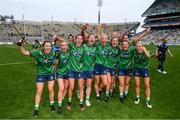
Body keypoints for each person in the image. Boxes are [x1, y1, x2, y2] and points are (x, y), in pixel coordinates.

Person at [17, 38, 56, 117]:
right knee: (39, 91)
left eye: (50, 46)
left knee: (50, 89)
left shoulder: (54, 53)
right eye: (46, 46)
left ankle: (52, 104)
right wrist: (20, 44)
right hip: (41, 74)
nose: (48, 47)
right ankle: (36, 109)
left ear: (51, 47)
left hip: (50, 73)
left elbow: (56, 62)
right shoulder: (37, 53)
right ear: (43, 47)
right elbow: (24, 52)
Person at [66, 34, 85, 110]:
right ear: (76, 40)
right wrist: (57, 37)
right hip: (71, 70)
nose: (79, 40)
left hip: (79, 70)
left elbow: (84, 59)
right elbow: (64, 42)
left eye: (81, 39)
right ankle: (69, 102)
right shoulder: (72, 45)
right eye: (78, 38)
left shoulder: (84, 49)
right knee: (71, 87)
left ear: (82, 40)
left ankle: (81, 103)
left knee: (80, 87)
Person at [133, 41, 153, 108]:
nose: (139, 48)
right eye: (137, 46)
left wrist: (145, 50)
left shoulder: (146, 52)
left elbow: (148, 56)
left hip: (145, 69)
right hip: (137, 69)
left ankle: (148, 100)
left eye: (140, 46)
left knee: (147, 85)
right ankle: (137, 97)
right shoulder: (134, 51)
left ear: (142, 46)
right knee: (137, 84)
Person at [55, 41, 70, 114]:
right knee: (61, 88)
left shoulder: (70, 52)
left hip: (67, 73)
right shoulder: (58, 54)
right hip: (60, 73)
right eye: (62, 45)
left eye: (65, 45)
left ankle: (62, 98)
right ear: (60, 46)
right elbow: (55, 65)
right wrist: (55, 74)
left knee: (66, 88)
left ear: (67, 46)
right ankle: (59, 105)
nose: (64, 46)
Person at [94, 34, 109, 102]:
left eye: (105, 38)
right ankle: (97, 96)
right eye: (102, 38)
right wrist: (99, 28)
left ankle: (99, 89)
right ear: (101, 39)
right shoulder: (97, 45)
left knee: (105, 83)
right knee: (96, 82)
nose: (104, 40)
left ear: (107, 40)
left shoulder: (108, 47)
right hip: (97, 66)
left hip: (103, 66)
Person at [82, 34, 96, 106]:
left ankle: (87, 99)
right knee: (81, 84)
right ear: (87, 39)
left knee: (89, 85)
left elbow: (96, 58)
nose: (92, 39)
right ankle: (79, 91)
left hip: (90, 69)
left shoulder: (95, 48)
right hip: (82, 69)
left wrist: (93, 64)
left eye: (93, 38)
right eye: (90, 37)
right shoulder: (83, 46)